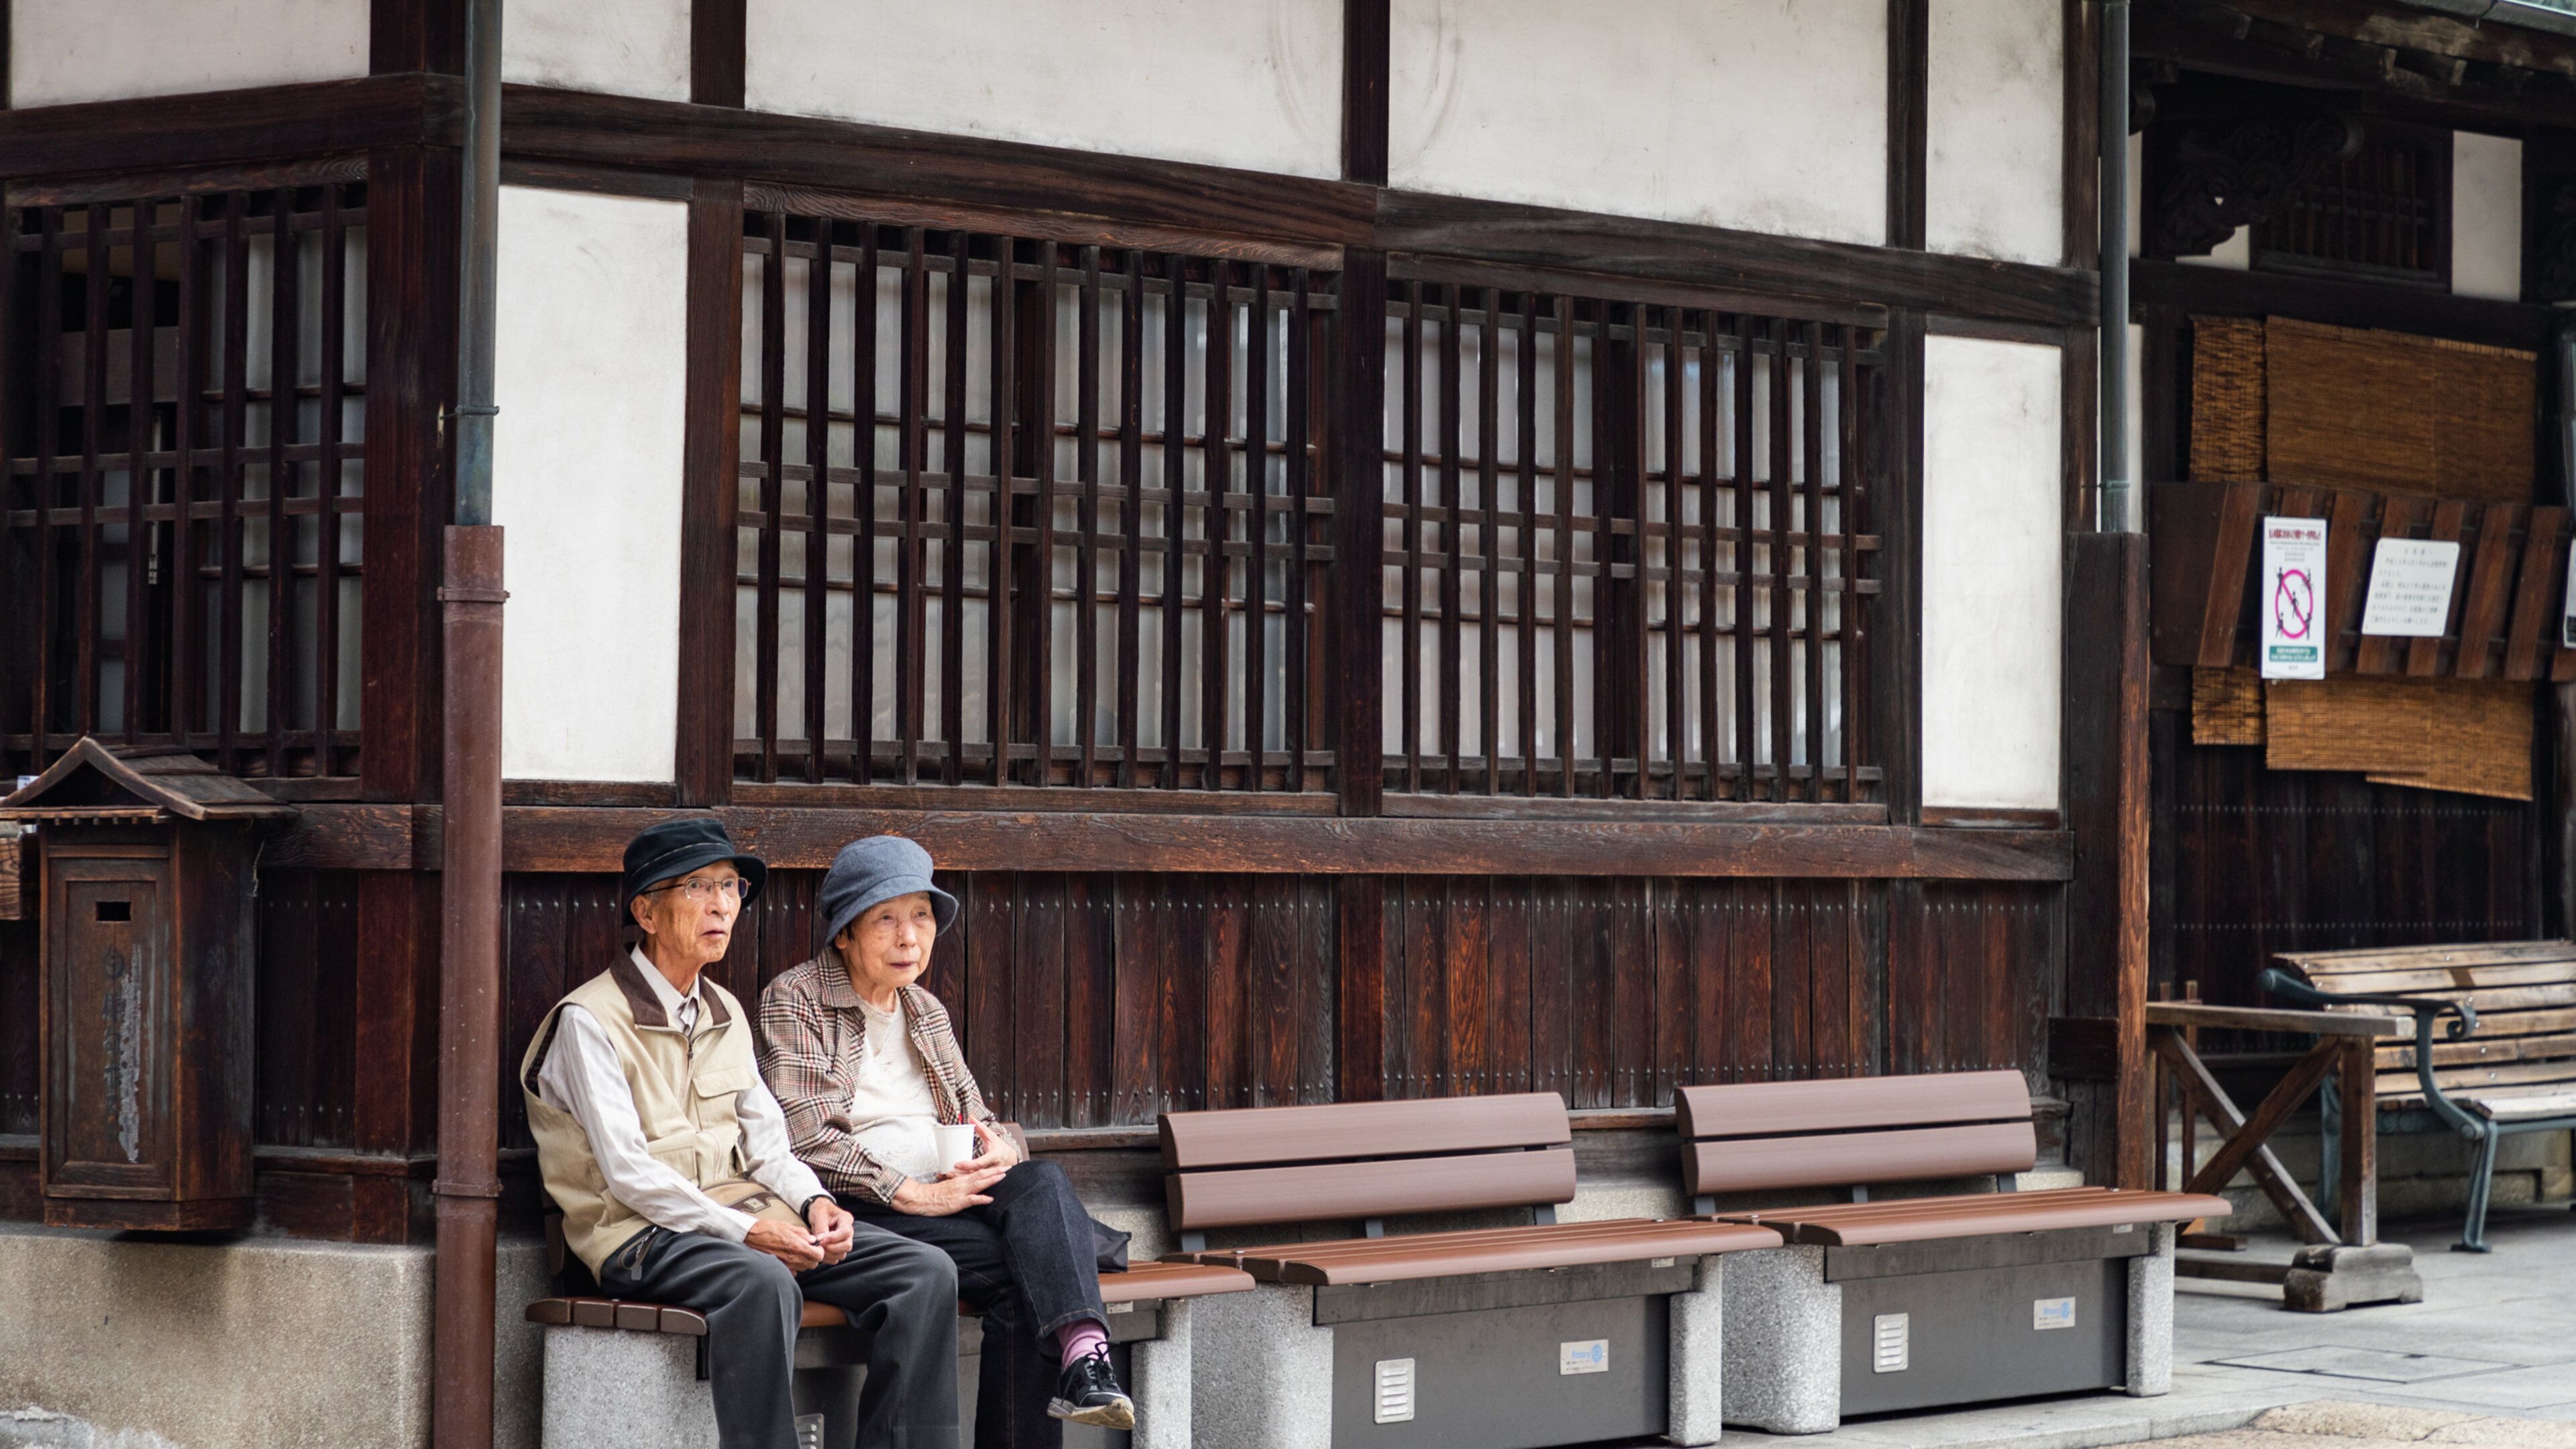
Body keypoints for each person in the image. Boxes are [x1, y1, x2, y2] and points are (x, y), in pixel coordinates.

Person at [519, 818, 961, 1449]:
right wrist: (750, 1232)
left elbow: (768, 1144)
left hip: (746, 1224)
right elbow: (629, 1175)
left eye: (730, 888)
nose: (723, 905)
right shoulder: (588, 1021)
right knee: (762, 1282)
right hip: (640, 1236)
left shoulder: (724, 1010)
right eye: (699, 887)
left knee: (926, 1272)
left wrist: (816, 1204)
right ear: (646, 912)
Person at [759, 835, 1135, 1447]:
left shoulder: (925, 1010)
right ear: (845, 932)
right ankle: (1087, 1354)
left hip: (947, 1202)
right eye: (887, 919)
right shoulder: (797, 999)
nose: (910, 937)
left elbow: (975, 1114)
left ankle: (1083, 1363)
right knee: (1033, 1263)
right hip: (860, 1213)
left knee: (1035, 1180)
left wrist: (998, 1153)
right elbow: (806, 1140)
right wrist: (913, 1194)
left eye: (922, 916)